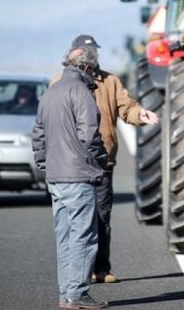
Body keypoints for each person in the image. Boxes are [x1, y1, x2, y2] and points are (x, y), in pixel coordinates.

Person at [50, 34, 159, 284]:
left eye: (92, 52)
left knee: (101, 218)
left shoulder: (110, 81)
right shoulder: (58, 82)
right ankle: (78, 272)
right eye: (84, 52)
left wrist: (139, 114)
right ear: (72, 54)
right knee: (74, 220)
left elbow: (126, 107)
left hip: (102, 163)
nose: (90, 57)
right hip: (72, 164)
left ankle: (101, 268)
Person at [33, 47, 109, 310]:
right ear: (86, 67)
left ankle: (67, 294)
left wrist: (45, 166)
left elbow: (38, 136)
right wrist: (100, 163)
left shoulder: (51, 92)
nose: (95, 75)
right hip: (78, 176)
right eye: (94, 70)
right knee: (84, 237)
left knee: (64, 237)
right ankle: (77, 295)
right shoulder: (80, 92)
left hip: (56, 177)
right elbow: (90, 136)